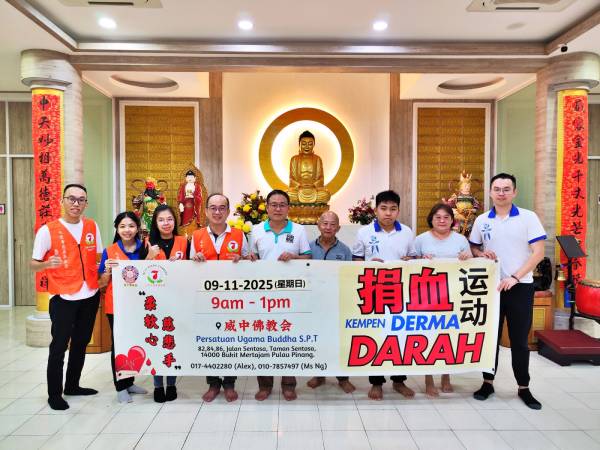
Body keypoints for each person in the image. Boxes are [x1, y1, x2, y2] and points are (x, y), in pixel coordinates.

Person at [469, 173, 546, 410]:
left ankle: (524, 387)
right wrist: (480, 254)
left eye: (506, 189)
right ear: (490, 192)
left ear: (514, 192)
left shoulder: (528, 217)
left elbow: (538, 253)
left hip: (520, 286)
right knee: (489, 337)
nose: (501, 193)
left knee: (519, 340)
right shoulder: (482, 220)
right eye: (497, 189)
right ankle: (487, 383)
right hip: (490, 287)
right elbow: (474, 246)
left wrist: (515, 277)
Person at [31, 184, 103, 411]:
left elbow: (98, 257)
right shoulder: (48, 230)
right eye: (71, 198)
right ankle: (54, 394)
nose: (76, 203)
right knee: (59, 346)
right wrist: (46, 264)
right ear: (62, 201)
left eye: (81, 200)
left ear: (86, 204)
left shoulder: (92, 226)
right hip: (63, 297)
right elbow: (33, 264)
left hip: (89, 294)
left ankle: (73, 385)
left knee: (81, 342)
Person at [352, 190, 416, 401]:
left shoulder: (406, 232)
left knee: (400, 335)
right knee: (376, 335)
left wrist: (409, 260)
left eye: (393, 209)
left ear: (398, 210)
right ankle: (376, 382)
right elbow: (356, 261)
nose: (388, 213)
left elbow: (413, 258)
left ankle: (399, 380)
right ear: (376, 210)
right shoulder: (364, 232)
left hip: (400, 290)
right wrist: (368, 264)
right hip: (373, 290)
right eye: (384, 208)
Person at [249, 189, 312, 401]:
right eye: (273, 205)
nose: (278, 208)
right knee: (263, 339)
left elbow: (308, 257)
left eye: (282, 204)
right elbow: (251, 258)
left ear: (288, 208)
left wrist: (294, 256)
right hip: (263, 295)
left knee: (288, 338)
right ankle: (265, 385)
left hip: (291, 294)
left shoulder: (299, 230)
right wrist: (250, 258)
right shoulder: (257, 230)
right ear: (267, 208)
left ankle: (288, 384)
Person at [191, 193, 250, 403]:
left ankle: (230, 383)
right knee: (210, 340)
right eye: (213, 208)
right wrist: (195, 259)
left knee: (231, 340)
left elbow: (250, 263)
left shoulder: (239, 235)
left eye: (222, 208)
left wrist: (242, 259)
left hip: (232, 299)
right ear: (206, 211)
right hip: (206, 299)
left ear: (228, 211)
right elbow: (188, 267)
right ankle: (213, 383)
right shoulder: (196, 236)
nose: (217, 212)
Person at [98, 212, 158, 403]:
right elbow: (101, 283)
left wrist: (149, 257)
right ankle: (121, 387)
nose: (127, 230)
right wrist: (107, 271)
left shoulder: (145, 248)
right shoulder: (109, 251)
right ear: (117, 229)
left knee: (133, 343)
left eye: (131, 226)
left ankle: (130, 381)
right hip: (116, 306)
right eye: (122, 226)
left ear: (137, 228)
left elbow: (147, 275)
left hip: (139, 304)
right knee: (119, 344)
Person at [414, 203, 472, 397]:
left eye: (446, 217)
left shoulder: (461, 240)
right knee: (428, 335)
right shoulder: (421, 239)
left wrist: (467, 257)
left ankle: (446, 376)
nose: (442, 220)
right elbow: (410, 264)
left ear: (452, 220)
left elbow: (472, 264)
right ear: (431, 219)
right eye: (437, 217)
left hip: (454, 295)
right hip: (427, 295)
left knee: (449, 335)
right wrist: (420, 259)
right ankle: (428, 378)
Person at [306, 211, 355, 394]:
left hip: (336, 303)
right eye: (325, 223)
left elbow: (350, 276)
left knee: (338, 340)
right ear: (318, 225)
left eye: (332, 224)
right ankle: (319, 374)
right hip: (314, 303)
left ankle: (343, 378)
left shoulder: (345, 250)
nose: (328, 227)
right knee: (317, 339)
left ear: (338, 228)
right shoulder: (308, 248)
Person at [148, 204, 189, 403]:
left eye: (170, 219)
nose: (166, 223)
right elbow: (139, 271)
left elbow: (192, 268)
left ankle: (171, 384)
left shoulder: (184, 241)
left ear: (175, 221)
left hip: (177, 299)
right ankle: (158, 385)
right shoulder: (147, 243)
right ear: (155, 223)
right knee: (157, 343)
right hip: (154, 302)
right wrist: (149, 257)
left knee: (172, 342)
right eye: (161, 220)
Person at [287, 130, 330, 204]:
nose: (307, 147)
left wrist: (313, 185)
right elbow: (292, 179)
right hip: (298, 190)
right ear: (299, 144)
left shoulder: (317, 159)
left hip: (314, 190)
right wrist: (300, 185)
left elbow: (321, 179)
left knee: (326, 195)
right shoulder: (294, 159)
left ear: (313, 145)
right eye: (304, 144)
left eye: (310, 144)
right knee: (288, 195)